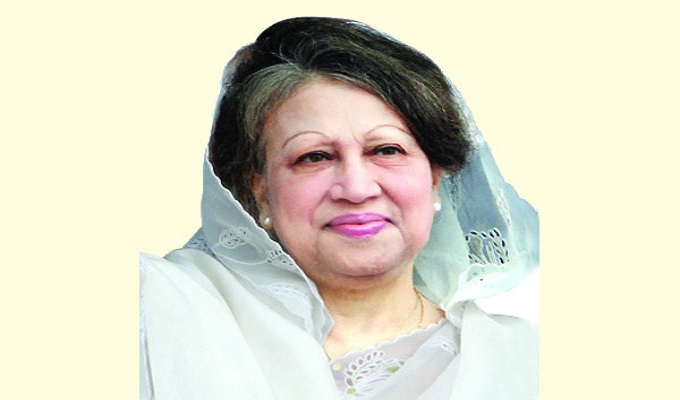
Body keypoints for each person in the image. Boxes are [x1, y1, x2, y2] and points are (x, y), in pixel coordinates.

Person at [140, 17, 539, 399]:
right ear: (259, 191)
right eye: (314, 157)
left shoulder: (525, 363)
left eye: (386, 150)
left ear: (435, 178)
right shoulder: (160, 313)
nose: (356, 189)